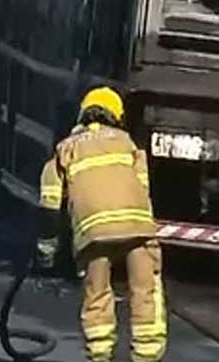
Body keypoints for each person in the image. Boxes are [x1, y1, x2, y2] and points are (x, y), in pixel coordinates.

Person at [37, 86, 166, 362]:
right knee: (146, 292)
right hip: (138, 230)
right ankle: (147, 357)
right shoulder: (129, 145)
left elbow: (49, 207)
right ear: (116, 115)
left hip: (93, 235)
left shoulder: (65, 150)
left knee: (97, 297)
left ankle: (99, 356)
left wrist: (46, 252)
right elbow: (143, 191)